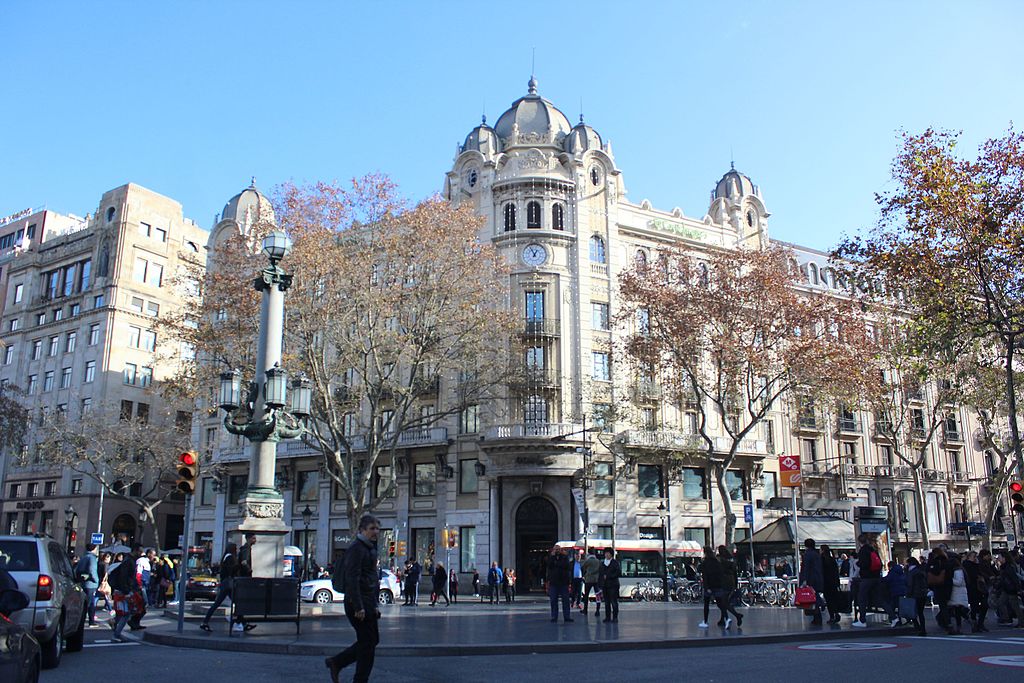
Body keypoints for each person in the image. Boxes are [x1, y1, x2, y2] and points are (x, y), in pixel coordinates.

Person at [325, 514, 382, 683]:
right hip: (357, 603)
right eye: (372, 528)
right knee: (368, 643)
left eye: (377, 528)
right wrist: (358, 607)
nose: (376, 532)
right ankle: (355, 676)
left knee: (371, 641)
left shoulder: (370, 548)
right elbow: (352, 579)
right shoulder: (357, 549)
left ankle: (337, 662)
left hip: (367, 602)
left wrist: (375, 604)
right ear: (362, 530)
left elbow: (372, 578)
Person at [200, 542, 251, 632]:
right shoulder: (231, 557)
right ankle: (243, 623)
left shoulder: (225, 557)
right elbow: (232, 570)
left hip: (225, 584)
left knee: (219, 603)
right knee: (235, 603)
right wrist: (239, 565)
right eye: (235, 548)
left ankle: (244, 623)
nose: (236, 550)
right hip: (229, 584)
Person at [852, 534, 895, 628]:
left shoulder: (863, 551)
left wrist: (858, 563)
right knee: (880, 599)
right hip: (876, 577)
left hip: (867, 578)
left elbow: (864, 564)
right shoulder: (873, 550)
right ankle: (894, 617)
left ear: (859, 542)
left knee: (861, 598)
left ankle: (862, 620)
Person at [108, 547, 144, 642]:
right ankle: (116, 633)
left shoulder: (128, 560)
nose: (141, 553)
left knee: (124, 612)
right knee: (126, 613)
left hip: (124, 589)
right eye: (140, 551)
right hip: (124, 590)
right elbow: (125, 577)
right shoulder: (129, 561)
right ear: (135, 551)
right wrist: (127, 591)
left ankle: (116, 628)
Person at [798, 538, 824, 625]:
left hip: (811, 579)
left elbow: (805, 569)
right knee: (815, 595)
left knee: (812, 598)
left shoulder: (807, 555)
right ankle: (818, 612)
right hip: (817, 578)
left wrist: (804, 580)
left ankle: (817, 615)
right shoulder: (817, 554)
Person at [716, 546, 743, 629]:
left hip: (723, 582)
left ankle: (737, 615)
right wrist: (735, 584)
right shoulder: (731, 560)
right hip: (731, 582)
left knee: (723, 603)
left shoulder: (720, 560)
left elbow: (718, 572)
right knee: (724, 601)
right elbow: (735, 573)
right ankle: (722, 619)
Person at [926, 547, 953, 631]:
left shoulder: (932, 562)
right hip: (947, 586)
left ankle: (946, 623)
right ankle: (947, 623)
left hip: (937, 587)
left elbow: (928, 573)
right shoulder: (946, 562)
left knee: (943, 606)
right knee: (946, 606)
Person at [74, 543, 101, 626]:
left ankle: (82, 620)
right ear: (94, 549)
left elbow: (77, 569)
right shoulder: (92, 558)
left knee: (85, 603)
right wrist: (97, 580)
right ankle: (91, 621)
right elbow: (92, 570)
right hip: (90, 584)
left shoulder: (84, 557)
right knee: (90, 604)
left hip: (83, 582)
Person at [545, 546, 573, 623]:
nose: (557, 551)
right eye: (555, 549)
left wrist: (556, 563)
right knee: (553, 600)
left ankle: (567, 616)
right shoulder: (551, 557)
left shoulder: (564, 557)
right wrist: (552, 557)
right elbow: (549, 565)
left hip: (563, 581)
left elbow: (566, 566)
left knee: (565, 600)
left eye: (558, 549)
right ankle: (554, 616)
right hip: (553, 582)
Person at [698, 546, 722, 629]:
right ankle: (725, 618)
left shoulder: (705, 562)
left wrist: (706, 586)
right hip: (717, 585)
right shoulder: (716, 562)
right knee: (720, 603)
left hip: (709, 585)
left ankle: (705, 621)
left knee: (706, 604)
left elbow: (701, 571)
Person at [905, 557, 928, 636]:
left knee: (912, 612)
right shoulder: (921, 570)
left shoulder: (911, 572)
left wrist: (908, 594)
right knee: (921, 613)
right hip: (923, 594)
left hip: (914, 595)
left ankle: (917, 627)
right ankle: (923, 629)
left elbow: (910, 584)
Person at [947, 554, 969, 635]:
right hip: (957, 593)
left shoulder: (957, 571)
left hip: (958, 592)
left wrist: (950, 580)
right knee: (957, 611)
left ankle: (960, 626)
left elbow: (959, 582)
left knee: (957, 611)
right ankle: (966, 622)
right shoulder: (958, 570)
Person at [820, 544, 842, 624]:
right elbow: (836, 572)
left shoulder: (821, 560)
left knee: (828, 600)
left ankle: (832, 616)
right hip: (833, 582)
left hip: (826, 583)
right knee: (834, 599)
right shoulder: (832, 560)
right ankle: (836, 613)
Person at [598, 547, 620, 623]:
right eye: (605, 553)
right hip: (605, 585)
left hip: (613, 585)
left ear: (611, 554)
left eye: (608, 553)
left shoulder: (615, 563)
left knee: (614, 601)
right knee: (606, 602)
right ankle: (607, 617)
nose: (606, 555)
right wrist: (600, 584)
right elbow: (600, 574)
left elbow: (618, 573)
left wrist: (608, 576)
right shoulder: (602, 563)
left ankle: (615, 617)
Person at [883, 559, 906, 623]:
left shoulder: (892, 572)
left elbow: (887, 579)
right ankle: (900, 618)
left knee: (892, 605)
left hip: (895, 591)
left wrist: (880, 579)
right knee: (899, 605)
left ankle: (893, 618)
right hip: (902, 591)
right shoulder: (900, 571)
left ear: (890, 566)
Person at [581, 550, 601, 615]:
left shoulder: (588, 561)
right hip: (596, 580)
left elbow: (583, 567)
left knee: (586, 595)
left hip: (588, 580)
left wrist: (584, 575)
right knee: (597, 595)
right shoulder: (598, 561)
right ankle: (597, 610)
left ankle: (585, 610)